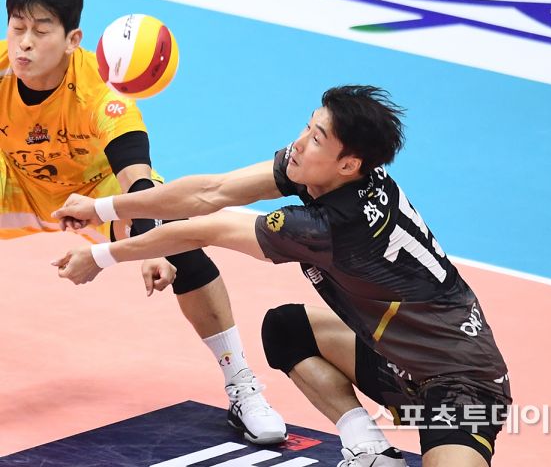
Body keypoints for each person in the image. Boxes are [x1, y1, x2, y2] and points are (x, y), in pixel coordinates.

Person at [51, 85, 511, 467]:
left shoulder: (329, 227)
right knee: (288, 329)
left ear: (348, 163)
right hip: (392, 362)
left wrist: (102, 255)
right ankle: (370, 450)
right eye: (308, 127)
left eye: (317, 138)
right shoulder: (329, 173)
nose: (300, 142)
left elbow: (204, 228)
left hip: (462, 384)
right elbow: (211, 191)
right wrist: (102, 207)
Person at [0, 0, 286, 444]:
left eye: (41, 30)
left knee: (180, 245)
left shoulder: (102, 92)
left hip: (96, 197)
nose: (24, 43)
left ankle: (242, 385)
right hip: (14, 186)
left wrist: (151, 247)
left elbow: (136, 179)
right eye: (17, 28)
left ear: (73, 40)